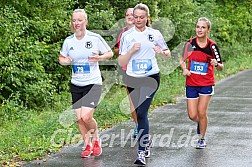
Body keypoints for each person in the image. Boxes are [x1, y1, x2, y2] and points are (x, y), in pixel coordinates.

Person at [118, 3, 171, 165]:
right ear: (132, 17)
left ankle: (141, 152)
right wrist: (131, 51)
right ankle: (146, 142)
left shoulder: (154, 34)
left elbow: (168, 53)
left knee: (141, 113)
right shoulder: (127, 36)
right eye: (136, 17)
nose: (138, 20)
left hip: (150, 77)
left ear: (147, 17)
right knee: (138, 113)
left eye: (142, 17)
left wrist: (161, 52)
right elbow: (121, 61)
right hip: (133, 78)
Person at [59, 9, 113, 158]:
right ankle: (87, 145)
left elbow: (110, 53)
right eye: (74, 20)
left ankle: (96, 139)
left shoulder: (95, 38)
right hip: (76, 83)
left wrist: (99, 58)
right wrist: (66, 61)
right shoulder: (68, 41)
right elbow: (61, 58)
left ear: (86, 22)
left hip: (93, 83)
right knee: (79, 119)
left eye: (79, 20)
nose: (76, 23)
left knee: (86, 117)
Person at [180, 17, 224, 149]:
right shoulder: (190, 44)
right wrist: (185, 69)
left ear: (208, 30)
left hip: (206, 83)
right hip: (191, 83)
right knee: (193, 115)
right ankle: (202, 123)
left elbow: (221, 66)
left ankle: (201, 138)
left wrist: (216, 64)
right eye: (198, 27)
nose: (200, 29)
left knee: (201, 112)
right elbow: (182, 60)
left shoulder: (212, 46)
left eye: (203, 27)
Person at [114, 8, 139, 139]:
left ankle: (142, 123)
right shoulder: (122, 33)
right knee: (132, 101)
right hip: (127, 70)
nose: (129, 17)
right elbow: (116, 50)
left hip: (142, 69)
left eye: (132, 15)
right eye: (127, 15)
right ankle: (138, 125)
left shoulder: (143, 30)